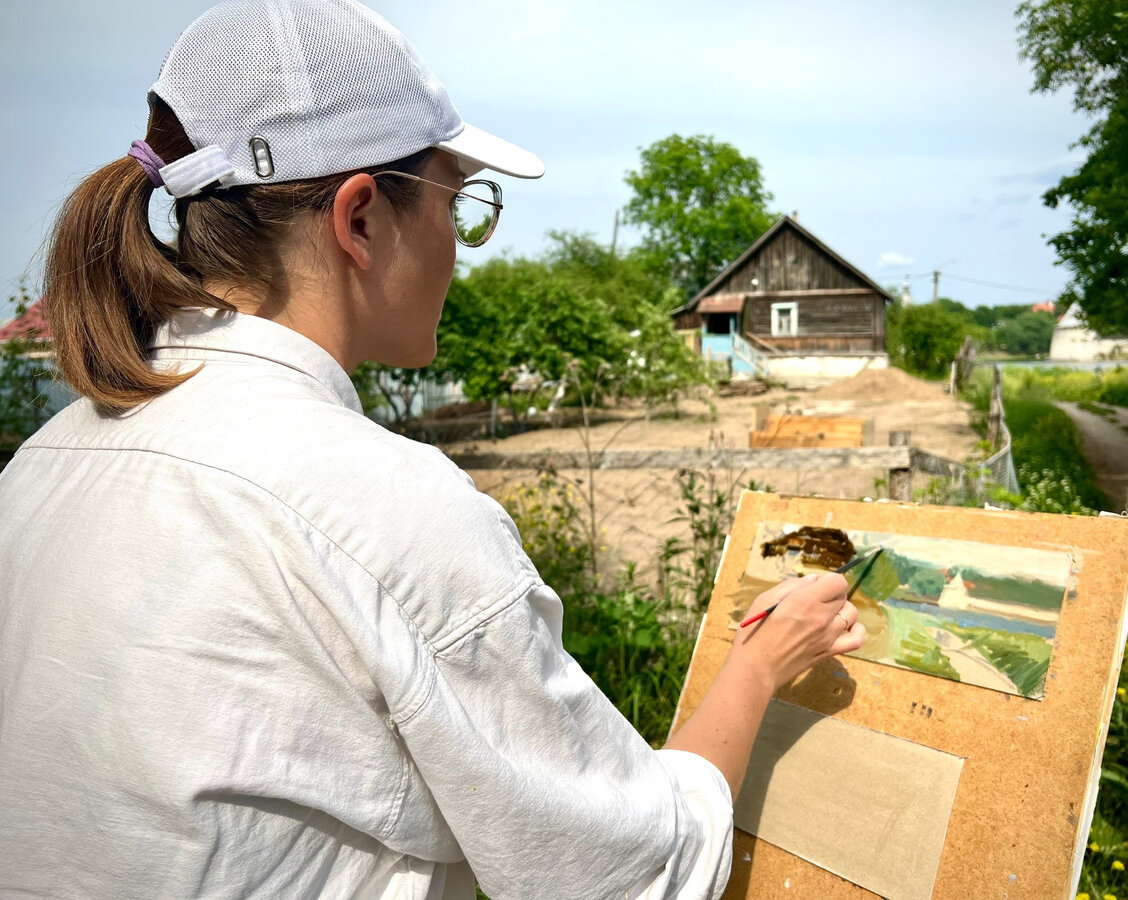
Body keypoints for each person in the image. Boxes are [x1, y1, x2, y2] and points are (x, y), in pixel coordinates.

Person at [0, 1, 866, 897]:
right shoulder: (384, 509)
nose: (462, 245)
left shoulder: (43, 463)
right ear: (362, 218)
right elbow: (636, 869)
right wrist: (761, 664)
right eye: (462, 202)